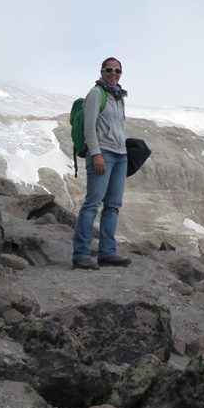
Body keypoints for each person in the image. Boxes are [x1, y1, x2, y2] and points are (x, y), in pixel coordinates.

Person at [71, 57, 131, 269]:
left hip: (120, 156)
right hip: (103, 154)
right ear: (102, 71)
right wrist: (95, 153)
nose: (113, 74)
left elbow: (117, 127)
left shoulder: (119, 97)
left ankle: (107, 252)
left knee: (113, 205)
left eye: (117, 71)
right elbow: (89, 127)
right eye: (109, 70)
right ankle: (81, 254)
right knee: (92, 204)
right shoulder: (96, 94)